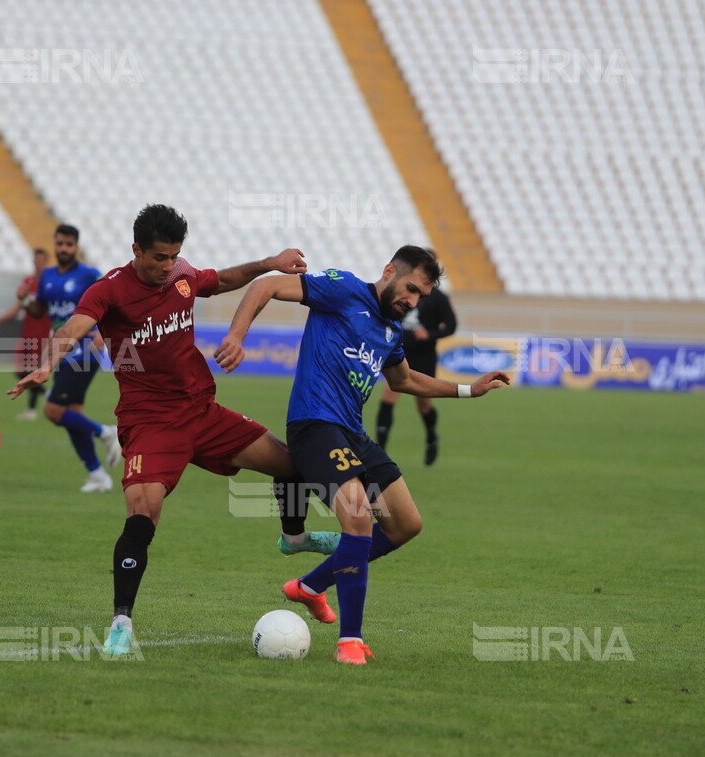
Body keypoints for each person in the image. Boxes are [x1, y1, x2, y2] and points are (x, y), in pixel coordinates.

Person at [8, 204, 339, 654]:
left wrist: (269, 263)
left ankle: (294, 536)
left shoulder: (182, 275)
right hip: (150, 424)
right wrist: (48, 364)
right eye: (159, 258)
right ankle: (121, 624)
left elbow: (219, 280)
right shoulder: (110, 290)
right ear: (136, 250)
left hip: (201, 413)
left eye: (174, 256)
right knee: (142, 515)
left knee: (292, 464)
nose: (168, 267)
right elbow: (73, 327)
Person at [215, 246, 511, 664]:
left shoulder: (391, 331)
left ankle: (311, 586)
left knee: (406, 524)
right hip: (314, 426)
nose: (412, 301)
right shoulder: (342, 288)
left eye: (421, 297)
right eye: (410, 289)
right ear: (390, 271)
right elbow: (265, 286)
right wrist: (236, 335)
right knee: (357, 518)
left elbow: (405, 380)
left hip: (352, 433)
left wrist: (469, 389)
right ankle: (349, 641)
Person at [22, 224, 120, 492]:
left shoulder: (89, 274)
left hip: (85, 348)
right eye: (60, 244)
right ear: (55, 245)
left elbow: (113, 297)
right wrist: (23, 302)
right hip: (61, 350)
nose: (64, 248)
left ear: (76, 247)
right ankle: (98, 475)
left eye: (69, 244)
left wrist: (103, 331)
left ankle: (107, 432)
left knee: (53, 411)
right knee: (71, 416)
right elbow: (39, 310)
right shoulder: (47, 276)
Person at [374, 249, 457, 465]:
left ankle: (431, 436)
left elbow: (451, 326)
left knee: (423, 405)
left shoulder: (437, 298)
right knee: (388, 398)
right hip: (401, 351)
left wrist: (430, 334)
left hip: (424, 355)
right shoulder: (402, 289)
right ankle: (379, 451)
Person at [0, 247, 52, 420]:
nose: (38, 264)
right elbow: (19, 306)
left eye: (42, 260)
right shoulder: (28, 281)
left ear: (46, 262)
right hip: (28, 332)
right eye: (36, 260)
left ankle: (32, 410)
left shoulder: (50, 281)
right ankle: (47, 394)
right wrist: (0, 318)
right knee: (20, 371)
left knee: (31, 370)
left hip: (42, 332)